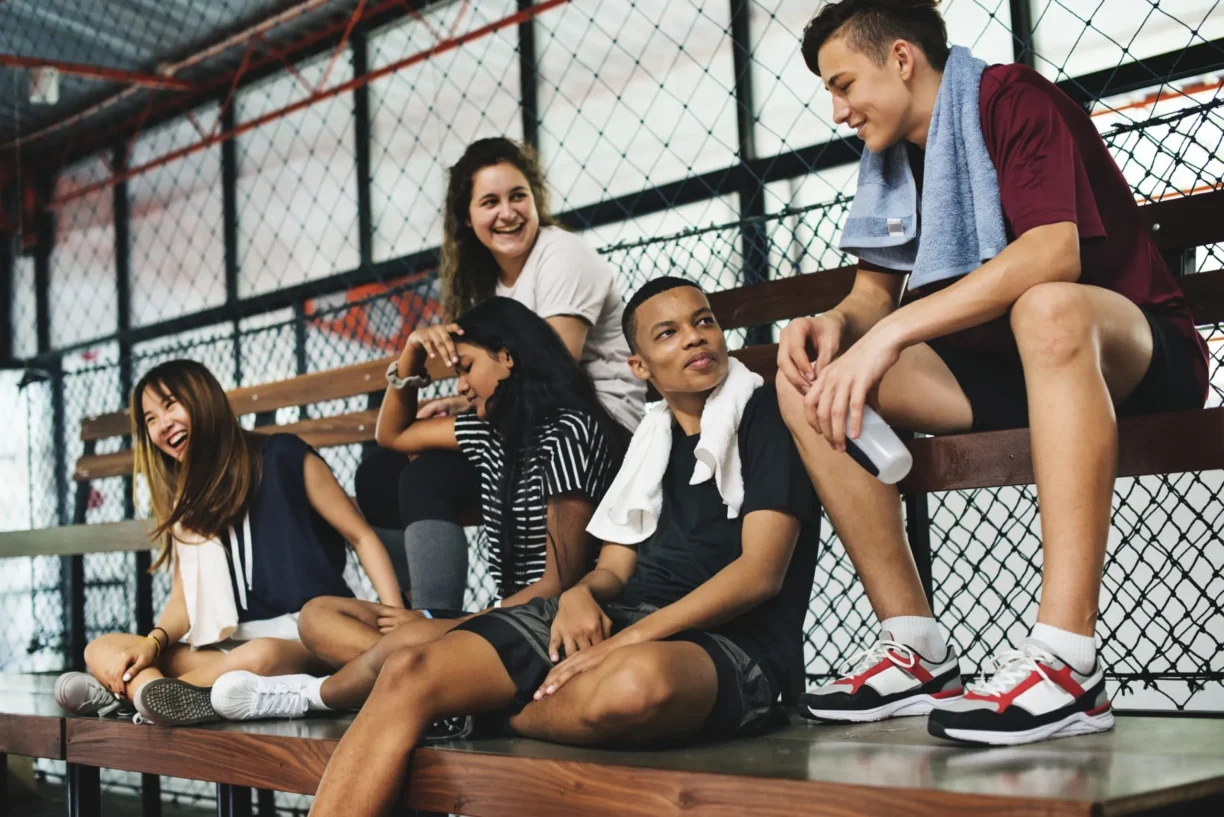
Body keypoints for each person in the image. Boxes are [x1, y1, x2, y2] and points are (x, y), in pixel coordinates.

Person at [778, 0, 1208, 746]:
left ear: (902, 59)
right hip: (1011, 372)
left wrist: (893, 332)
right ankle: (914, 648)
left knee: (1048, 307)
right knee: (806, 378)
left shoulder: (1010, 99)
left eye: (844, 85)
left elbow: (1052, 254)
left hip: (1130, 356)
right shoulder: (891, 157)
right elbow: (872, 295)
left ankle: (1068, 662)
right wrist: (835, 325)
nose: (839, 111)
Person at [293, 277, 820, 817]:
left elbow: (759, 574)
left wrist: (618, 643)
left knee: (635, 685)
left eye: (703, 321)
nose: (694, 337)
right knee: (409, 669)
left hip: (727, 643)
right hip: (622, 621)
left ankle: (472, 708)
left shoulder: (764, 416)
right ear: (640, 367)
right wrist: (579, 595)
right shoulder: (651, 441)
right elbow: (613, 569)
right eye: (668, 333)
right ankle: (444, 700)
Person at [208, 296, 627, 718]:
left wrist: (444, 624)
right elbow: (394, 434)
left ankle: (315, 696)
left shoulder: (568, 432)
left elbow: (558, 584)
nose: (460, 387)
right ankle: (434, 691)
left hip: (549, 620)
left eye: (466, 367)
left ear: (506, 357)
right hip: (504, 616)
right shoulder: (491, 433)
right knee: (318, 615)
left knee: (404, 639)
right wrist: (411, 354)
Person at [354, 136, 644, 614]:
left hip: (594, 429)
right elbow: (400, 430)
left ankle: (438, 621)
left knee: (425, 475)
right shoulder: (487, 282)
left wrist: (466, 406)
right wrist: (434, 378)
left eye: (518, 196)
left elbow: (549, 371)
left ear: (535, 201)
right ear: (467, 218)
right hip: (522, 426)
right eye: (489, 202)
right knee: (380, 474)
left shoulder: (562, 255)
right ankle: (417, 611)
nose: (508, 212)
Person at [52, 359, 405, 726]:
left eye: (170, 405)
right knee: (101, 648)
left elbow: (360, 536)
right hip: (230, 643)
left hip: (304, 638)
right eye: (150, 420)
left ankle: (129, 696)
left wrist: (396, 618)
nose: (162, 425)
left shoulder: (284, 455)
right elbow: (182, 602)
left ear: (203, 400)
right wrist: (150, 645)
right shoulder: (186, 499)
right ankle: (155, 696)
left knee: (256, 658)